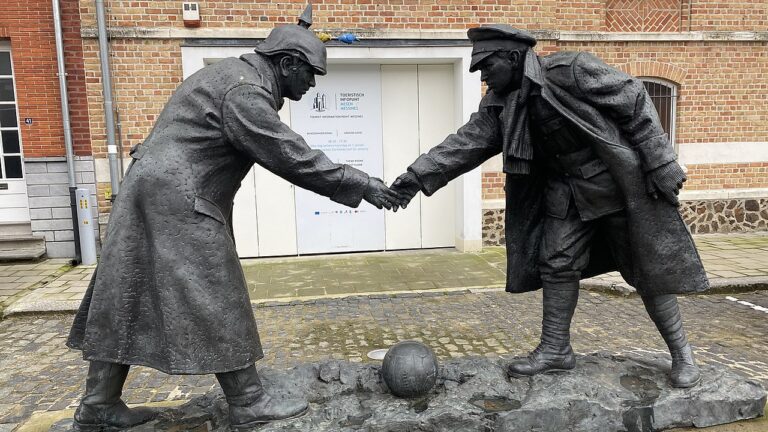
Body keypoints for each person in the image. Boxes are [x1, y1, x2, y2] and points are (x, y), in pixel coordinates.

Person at [66, 14, 404, 431]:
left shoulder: (229, 74)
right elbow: (290, 155)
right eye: (311, 74)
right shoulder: (244, 92)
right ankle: (247, 401)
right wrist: (362, 184)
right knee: (217, 291)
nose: (312, 85)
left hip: (147, 193)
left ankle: (99, 403)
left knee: (125, 291)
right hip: (178, 200)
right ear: (286, 64)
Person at [392, 24, 709, 389]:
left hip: (612, 186)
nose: (483, 78)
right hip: (564, 192)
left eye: (486, 67)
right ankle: (556, 348)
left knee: (647, 268)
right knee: (556, 262)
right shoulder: (499, 102)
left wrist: (661, 160)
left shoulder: (570, 70)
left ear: (512, 58)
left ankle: (683, 355)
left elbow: (634, 98)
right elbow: (465, 144)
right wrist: (415, 177)